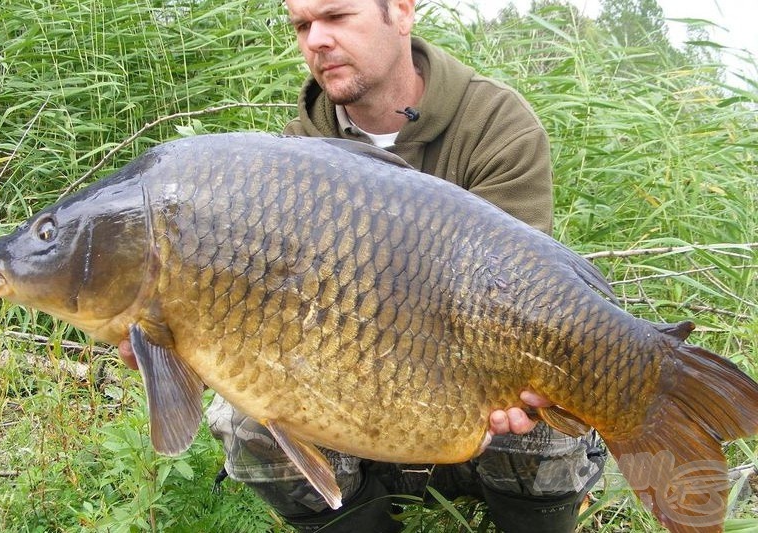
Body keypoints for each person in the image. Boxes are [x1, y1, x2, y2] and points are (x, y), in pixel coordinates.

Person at [120, 0, 605, 530]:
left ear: (401, 11)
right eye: (302, 25)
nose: (316, 40)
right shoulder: (293, 158)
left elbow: (525, 295)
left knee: (554, 397)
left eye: (336, 17)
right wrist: (182, 338)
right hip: (353, 408)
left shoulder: (496, 125)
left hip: (471, 393)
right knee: (245, 421)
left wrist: (510, 382)